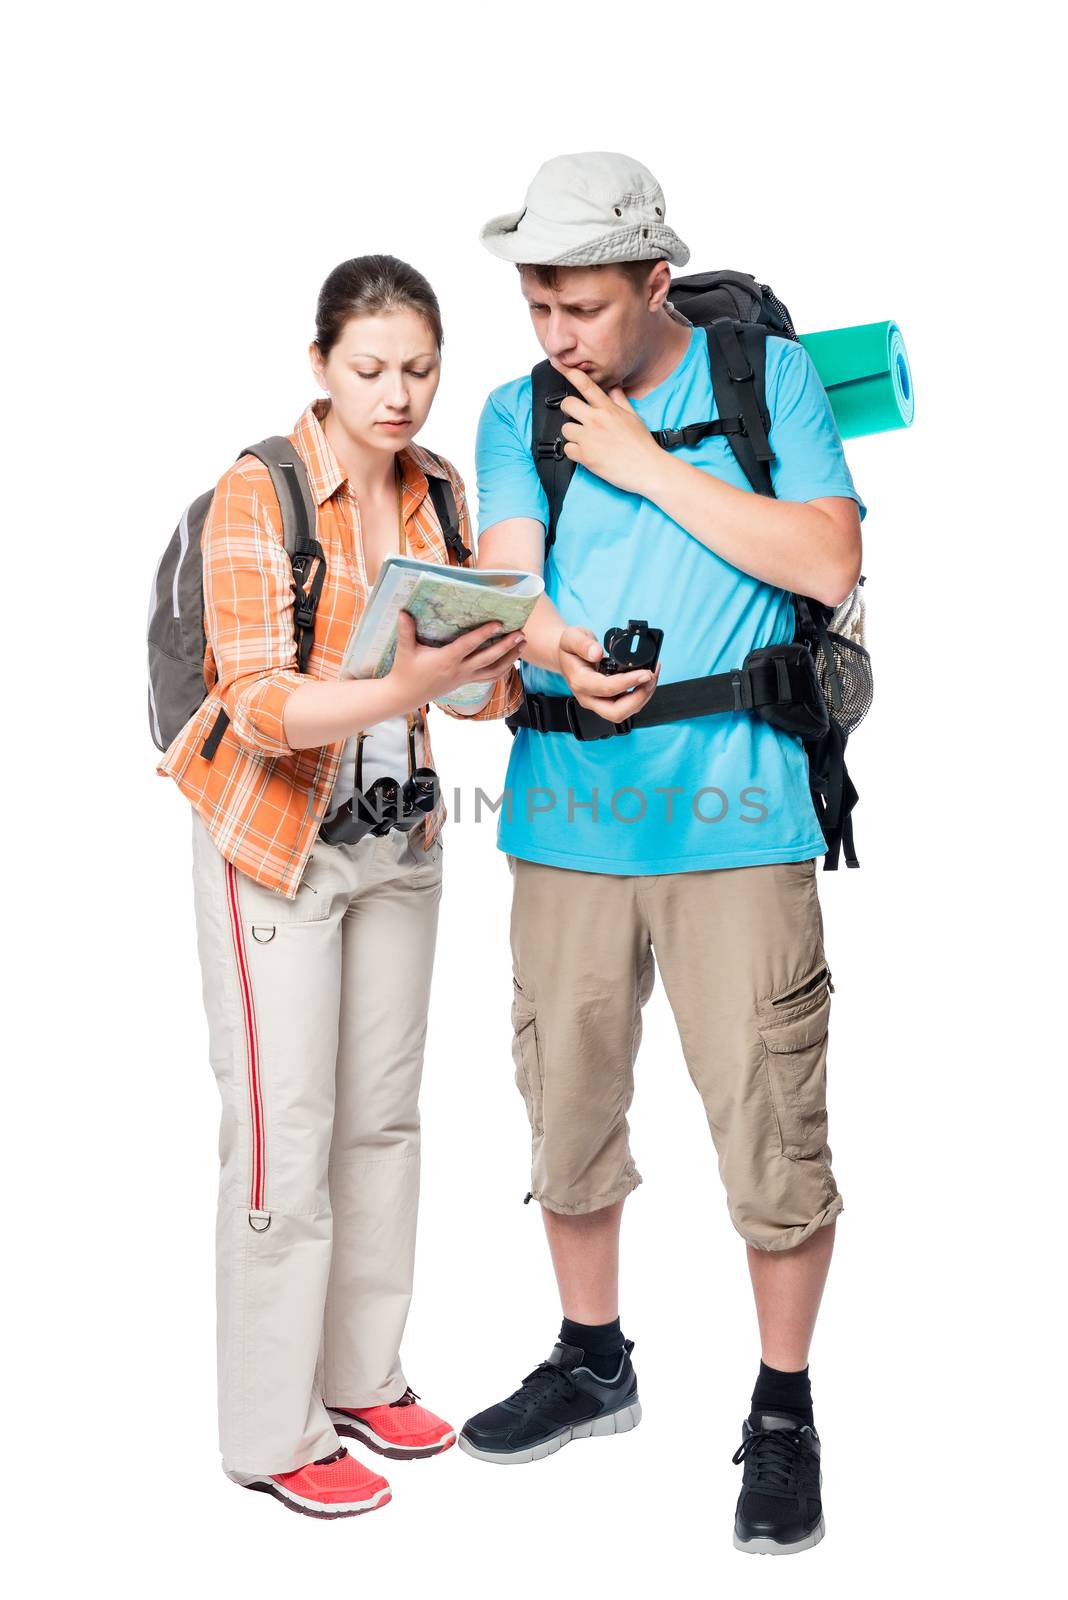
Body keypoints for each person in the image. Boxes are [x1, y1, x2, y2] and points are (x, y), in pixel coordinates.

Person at [457, 154, 866, 1556]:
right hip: (566, 816)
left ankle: (784, 1408)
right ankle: (591, 1359)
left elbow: (826, 561)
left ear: (649, 278)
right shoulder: (519, 411)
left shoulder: (765, 383)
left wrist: (643, 464)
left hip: (740, 816)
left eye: (580, 304)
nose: (557, 335)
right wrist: (550, 639)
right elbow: (508, 572)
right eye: (535, 306)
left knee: (768, 1117)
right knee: (565, 1101)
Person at [157, 254, 524, 1518]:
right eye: (370, 368)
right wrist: (413, 685)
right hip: (276, 840)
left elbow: (487, 694)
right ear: (321, 365)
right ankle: (271, 1432)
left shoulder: (440, 493)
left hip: (402, 841)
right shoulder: (259, 491)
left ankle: (363, 1377)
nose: (399, 394)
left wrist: (493, 662)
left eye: (421, 369)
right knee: (282, 1135)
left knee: (384, 1120)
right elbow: (258, 705)